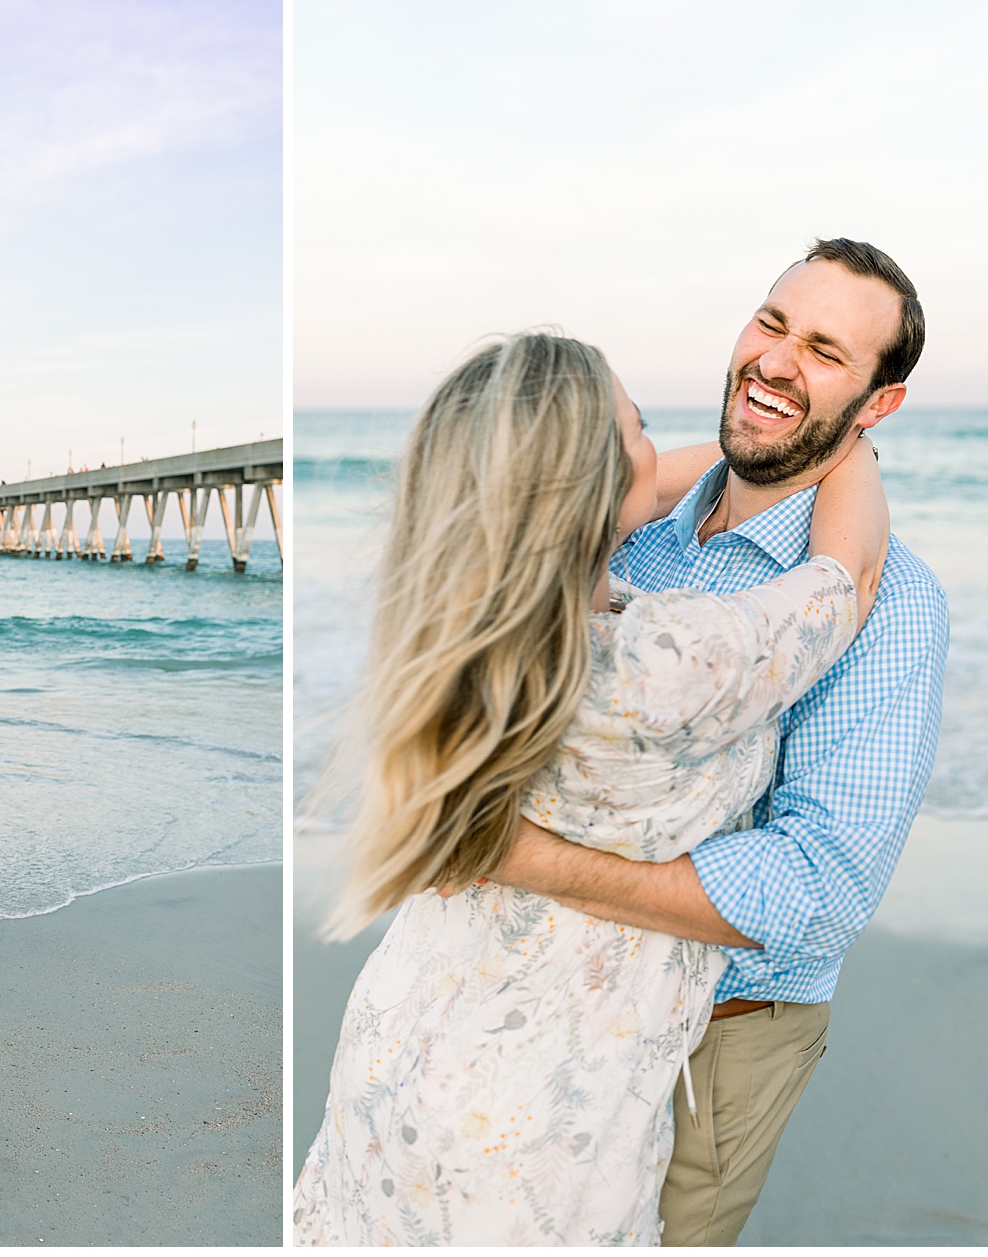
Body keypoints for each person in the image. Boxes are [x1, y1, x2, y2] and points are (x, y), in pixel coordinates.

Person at [293, 329, 892, 1244]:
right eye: (641, 429)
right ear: (589, 484)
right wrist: (849, 435)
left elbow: (652, 481)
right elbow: (841, 578)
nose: (660, 455)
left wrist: (767, 439)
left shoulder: (452, 632)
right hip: (539, 1120)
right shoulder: (667, 663)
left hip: (396, 1052)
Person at [488, 239, 950, 1244]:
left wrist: (530, 861)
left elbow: (821, 889)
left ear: (879, 404)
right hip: (538, 993)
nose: (777, 360)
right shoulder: (625, 526)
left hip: (719, 1034)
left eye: (827, 351)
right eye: (772, 322)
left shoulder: (895, 605)